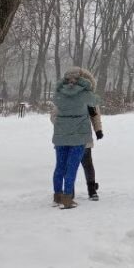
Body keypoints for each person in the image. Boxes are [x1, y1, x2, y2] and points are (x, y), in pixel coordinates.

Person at [50, 67, 99, 209]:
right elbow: (95, 100)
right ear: (80, 79)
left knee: (59, 166)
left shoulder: (59, 93)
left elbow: (55, 107)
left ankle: (57, 197)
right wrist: (85, 84)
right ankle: (67, 198)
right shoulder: (84, 94)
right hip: (78, 136)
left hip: (60, 136)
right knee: (72, 167)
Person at [49, 93, 104, 201]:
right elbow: (54, 116)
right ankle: (70, 192)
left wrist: (98, 130)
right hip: (69, 138)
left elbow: (95, 115)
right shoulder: (65, 95)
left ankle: (91, 189)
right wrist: (66, 125)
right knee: (71, 165)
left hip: (82, 137)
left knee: (86, 164)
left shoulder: (88, 98)